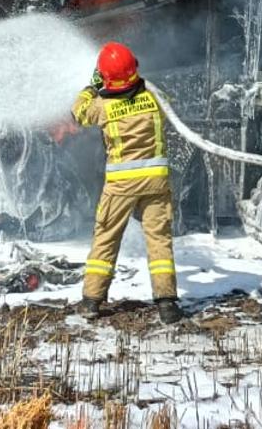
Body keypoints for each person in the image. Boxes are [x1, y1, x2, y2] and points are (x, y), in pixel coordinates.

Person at [71, 42, 182, 324]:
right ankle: (167, 303)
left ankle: (91, 302)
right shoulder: (154, 98)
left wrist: (91, 87)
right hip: (156, 182)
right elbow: (172, 107)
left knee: (106, 237)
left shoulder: (103, 107)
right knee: (159, 240)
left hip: (121, 185)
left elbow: (78, 113)